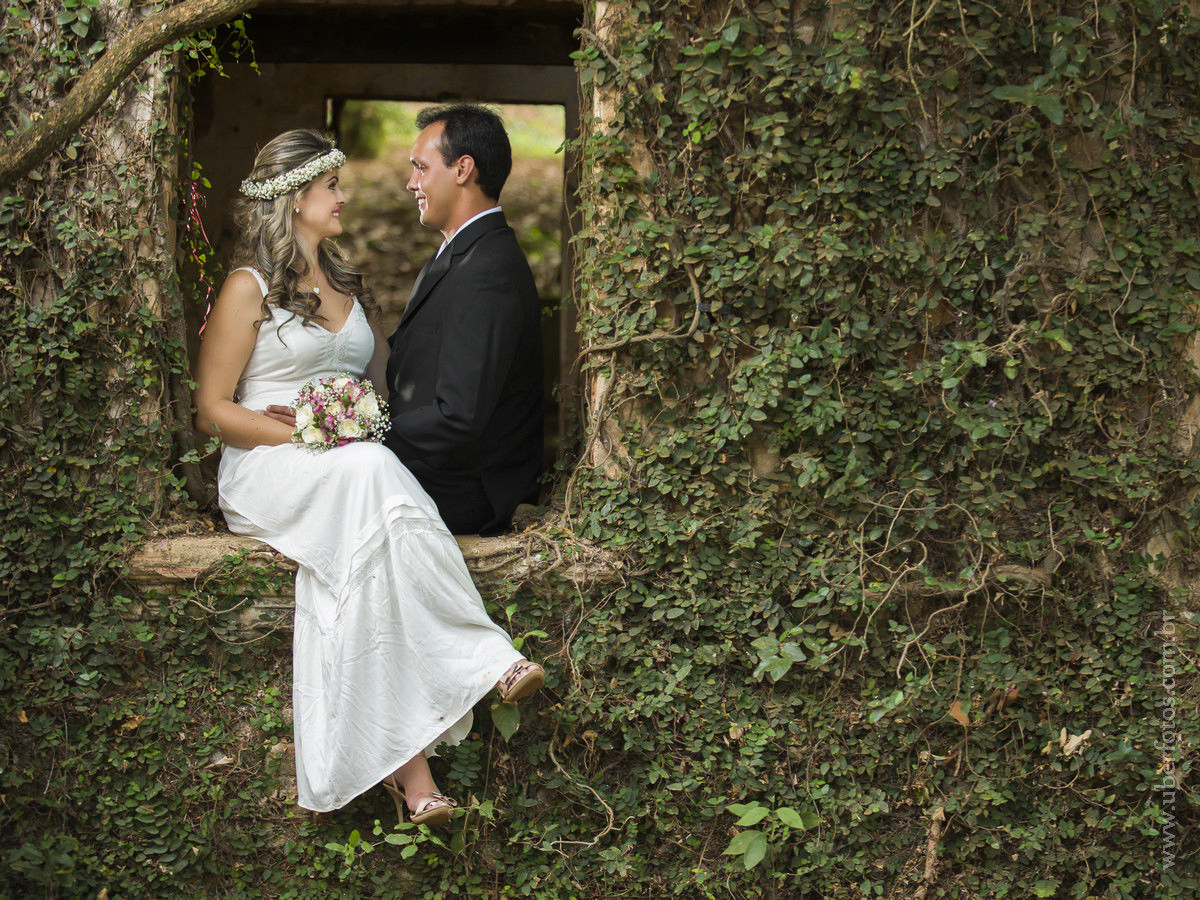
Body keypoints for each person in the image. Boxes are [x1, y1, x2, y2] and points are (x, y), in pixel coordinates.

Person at [193, 128, 545, 826]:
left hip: (349, 464)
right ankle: (479, 654)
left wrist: (356, 418)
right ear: (295, 199)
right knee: (368, 466)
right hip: (268, 465)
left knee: (356, 562)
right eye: (331, 187)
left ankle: (412, 780)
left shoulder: (347, 283)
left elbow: (380, 395)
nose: (344, 197)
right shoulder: (247, 288)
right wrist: (305, 428)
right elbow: (212, 411)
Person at [383, 103, 545, 537]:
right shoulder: (463, 253)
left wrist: (364, 432)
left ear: (462, 169)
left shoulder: (487, 269)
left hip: (469, 491)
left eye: (421, 167)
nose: (410, 183)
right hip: (444, 471)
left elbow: (458, 415)